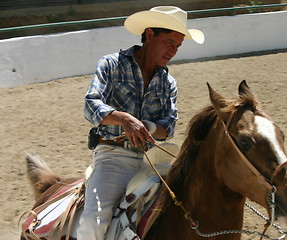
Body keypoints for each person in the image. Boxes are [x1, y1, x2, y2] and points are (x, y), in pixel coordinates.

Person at [77, 6, 204, 240]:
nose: (173, 50)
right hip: (113, 158)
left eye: (177, 46)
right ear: (149, 35)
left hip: (153, 160)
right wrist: (125, 119)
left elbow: (169, 126)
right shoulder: (111, 65)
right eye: (168, 42)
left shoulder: (168, 82)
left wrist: (146, 126)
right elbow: (90, 105)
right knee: (93, 224)